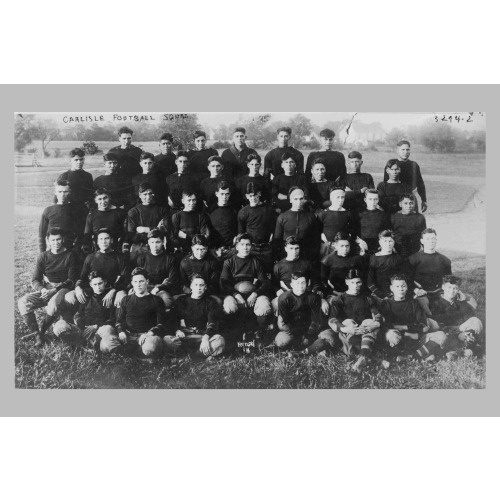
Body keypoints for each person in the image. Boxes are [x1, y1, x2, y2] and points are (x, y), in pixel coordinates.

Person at [18, 228, 79, 346]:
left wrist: (54, 290)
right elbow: (35, 279)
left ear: (63, 239)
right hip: (47, 288)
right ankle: (36, 334)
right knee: (23, 302)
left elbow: (71, 280)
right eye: (53, 240)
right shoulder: (43, 256)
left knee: (53, 304)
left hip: (63, 288)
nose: (56, 243)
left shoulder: (70, 255)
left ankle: (41, 332)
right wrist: (43, 289)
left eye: (58, 239)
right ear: (47, 240)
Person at [102, 267, 167, 359]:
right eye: (135, 282)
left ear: (147, 281)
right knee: (106, 343)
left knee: (151, 347)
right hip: (129, 336)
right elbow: (119, 321)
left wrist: (149, 334)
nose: (138, 285)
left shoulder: (156, 300)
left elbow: (161, 324)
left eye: (141, 281)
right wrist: (121, 332)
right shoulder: (126, 299)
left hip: (147, 336)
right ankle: (135, 354)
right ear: (132, 283)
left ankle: (130, 354)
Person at [325, 269, 382, 372]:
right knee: (347, 321)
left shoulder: (368, 298)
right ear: (347, 282)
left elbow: (377, 315)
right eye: (352, 282)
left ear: (362, 283)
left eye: (358, 282)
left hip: (366, 333)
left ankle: (362, 359)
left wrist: (374, 325)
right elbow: (332, 320)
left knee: (370, 322)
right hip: (350, 334)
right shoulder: (339, 299)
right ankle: (367, 357)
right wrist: (347, 329)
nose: (355, 285)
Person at [378, 273, 443, 358]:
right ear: (391, 288)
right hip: (398, 337)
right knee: (391, 335)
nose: (401, 289)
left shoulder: (413, 303)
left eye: (403, 286)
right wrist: (405, 332)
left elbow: (422, 324)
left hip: (415, 338)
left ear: (407, 287)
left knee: (441, 335)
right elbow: (385, 325)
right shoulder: (387, 303)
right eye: (397, 286)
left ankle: (410, 356)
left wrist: (402, 327)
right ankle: (417, 354)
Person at [220, 233, 273, 337]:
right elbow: (224, 283)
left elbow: (265, 282)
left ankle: (259, 333)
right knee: (229, 306)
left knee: (264, 305)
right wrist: (236, 295)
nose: (245, 247)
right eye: (242, 244)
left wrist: (255, 294)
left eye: (248, 244)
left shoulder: (256, 262)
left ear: (251, 246)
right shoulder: (229, 262)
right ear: (237, 246)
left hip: (253, 294)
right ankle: (233, 335)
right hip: (235, 295)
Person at [64, 227, 129, 311]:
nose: (104, 241)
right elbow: (82, 277)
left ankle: (116, 322)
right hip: (94, 289)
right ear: (97, 242)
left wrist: (113, 291)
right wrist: (78, 288)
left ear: (112, 240)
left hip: (113, 289)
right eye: (101, 239)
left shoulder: (119, 257)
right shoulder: (91, 257)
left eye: (107, 238)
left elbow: (126, 279)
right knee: (69, 296)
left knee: (122, 297)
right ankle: (77, 319)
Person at [51, 271, 118, 350]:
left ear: (105, 282)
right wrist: (80, 324)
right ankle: (80, 344)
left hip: (100, 329)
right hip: (85, 329)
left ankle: (92, 345)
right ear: (91, 285)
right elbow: (79, 314)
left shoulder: (110, 297)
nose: (98, 287)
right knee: (59, 325)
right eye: (95, 284)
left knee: (108, 332)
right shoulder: (87, 296)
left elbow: (113, 319)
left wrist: (96, 326)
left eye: (100, 283)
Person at [163, 275, 226, 358]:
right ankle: (200, 355)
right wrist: (177, 331)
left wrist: (206, 338)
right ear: (191, 286)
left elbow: (212, 322)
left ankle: (189, 356)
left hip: (202, 336)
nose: (198, 288)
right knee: (166, 340)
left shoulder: (210, 302)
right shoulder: (181, 300)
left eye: (201, 285)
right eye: (196, 285)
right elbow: (172, 319)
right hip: (184, 336)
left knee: (219, 341)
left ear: (205, 287)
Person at [275, 272, 335, 354]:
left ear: (307, 283)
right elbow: (284, 321)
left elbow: (316, 320)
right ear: (291, 284)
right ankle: (297, 344)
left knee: (327, 338)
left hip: (309, 328)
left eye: (303, 282)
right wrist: (296, 335)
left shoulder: (313, 297)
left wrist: (308, 336)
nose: (301, 286)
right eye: (297, 283)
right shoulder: (284, 298)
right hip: (291, 329)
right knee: (282, 341)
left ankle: (308, 347)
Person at [428, 275, 484, 358]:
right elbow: (437, 325)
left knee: (476, 320)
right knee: (438, 332)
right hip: (445, 333)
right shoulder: (435, 304)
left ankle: (465, 347)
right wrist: (458, 334)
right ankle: (460, 351)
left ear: (458, 290)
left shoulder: (461, 303)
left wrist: (465, 333)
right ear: (443, 287)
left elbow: (470, 319)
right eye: (449, 287)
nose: (452, 291)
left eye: (455, 288)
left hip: (461, 332)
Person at [272, 236, 325, 315]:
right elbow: (273, 282)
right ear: (285, 249)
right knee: (275, 304)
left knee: (323, 305)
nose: (294, 251)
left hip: (304, 294)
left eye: (296, 248)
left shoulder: (307, 263)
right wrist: (277, 290)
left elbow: (315, 279)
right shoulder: (279, 266)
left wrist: (316, 288)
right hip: (287, 295)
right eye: (291, 248)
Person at [135, 229, 181, 310]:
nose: (155, 245)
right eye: (152, 242)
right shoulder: (142, 258)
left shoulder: (170, 259)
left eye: (158, 242)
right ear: (148, 243)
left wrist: (158, 288)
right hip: (145, 287)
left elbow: (172, 280)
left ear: (163, 242)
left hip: (162, 288)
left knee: (167, 301)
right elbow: (138, 276)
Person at [273, 187, 320, 261]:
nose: (298, 202)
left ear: (304, 200)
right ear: (291, 200)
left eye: (301, 199)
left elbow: (315, 239)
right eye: (295, 199)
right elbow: (277, 240)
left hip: (306, 255)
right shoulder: (282, 217)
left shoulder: (311, 217)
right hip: (287, 255)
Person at [237, 183, 276, 272]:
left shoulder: (268, 209)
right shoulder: (243, 212)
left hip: (266, 248)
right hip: (252, 248)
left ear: (259, 194)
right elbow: (241, 233)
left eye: (255, 195)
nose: (253, 198)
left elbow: (274, 227)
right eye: (250, 196)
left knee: (267, 272)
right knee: (252, 272)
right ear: (246, 196)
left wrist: (271, 240)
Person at [126, 183, 170, 257]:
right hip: (140, 246)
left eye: (150, 193)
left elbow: (166, 229)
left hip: (157, 245)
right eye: (145, 194)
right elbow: (132, 234)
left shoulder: (162, 210)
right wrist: (157, 228)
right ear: (140, 195)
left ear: (154, 194)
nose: (148, 197)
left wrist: (145, 229)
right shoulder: (133, 212)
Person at [384, 140, 428, 212]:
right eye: (403, 149)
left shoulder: (414, 165)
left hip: (410, 199)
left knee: (412, 221)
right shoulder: (391, 164)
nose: (405, 152)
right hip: (394, 199)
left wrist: (424, 200)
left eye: (407, 150)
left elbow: (420, 184)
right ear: (397, 151)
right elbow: (385, 184)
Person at [39, 180, 81, 253]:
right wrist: (42, 252)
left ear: (70, 192)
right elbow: (41, 233)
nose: (62, 194)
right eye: (59, 192)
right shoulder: (48, 210)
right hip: (53, 250)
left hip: (70, 250)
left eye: (65, 192)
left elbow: (80, 233)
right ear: (55, 192)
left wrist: (76, 249)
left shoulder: (76, 210)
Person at [317, 186, 360, 258]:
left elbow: (352, 229)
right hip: (327, 245)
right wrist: (323, 238)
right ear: (331, 198)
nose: (340, 200)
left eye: (342, 197)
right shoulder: (324, 214)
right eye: (338, 197)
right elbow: (317, 229)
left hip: (342, 246)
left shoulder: (347, 213)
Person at [321, 232, 366, 299]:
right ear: (335, 245)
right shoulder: (327, 260)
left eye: (347, 246)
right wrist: (334, 292)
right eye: (341, 246)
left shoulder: (357, 259)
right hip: (335, 294)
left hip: (355, 294)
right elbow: (323, 281)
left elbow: (364, 278)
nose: (345, 249)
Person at [367, 230, 410, 301]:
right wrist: (383, 296)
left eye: (390, 241)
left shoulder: (399, 258)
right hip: (379, 295)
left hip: (397, 294)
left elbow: (405, 277)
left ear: (394, 242)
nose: (388, 244)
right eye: (385, 241)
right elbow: (370, 282)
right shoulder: (373, 258)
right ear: (380, 242)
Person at [168, 190, 210, 255]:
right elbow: (173, 237)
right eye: (189, 200)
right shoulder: (176, 216)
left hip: (197, 252)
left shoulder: (200, 216)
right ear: (183, 201)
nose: (192, 203)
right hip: (181, 251)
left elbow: (203, 237)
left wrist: (186, 236)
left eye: (194, 200)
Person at [56, 148, 94, 217]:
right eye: (76, 160)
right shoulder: (64, 176)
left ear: (84, 160)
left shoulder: (88, 176)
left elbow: (91, 194)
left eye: (81, 159)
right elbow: (57, 196)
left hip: (84, 211)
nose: (79, 162)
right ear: (70, 161)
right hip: (68, 210)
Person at [209, 181, 239, 261]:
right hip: (215, 251)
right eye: (222, 194)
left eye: (227, 194)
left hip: (231, 250)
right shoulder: (211, 210)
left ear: (230, 194)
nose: (224, 197)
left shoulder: (234, 210)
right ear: (216, 194)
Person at [354, 189, 390, 255]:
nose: (373, 202)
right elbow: (353, 230)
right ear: (365, 200)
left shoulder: (383, 214)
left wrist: (382, 243)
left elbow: (385, 230)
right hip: (362, 244)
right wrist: (359, 241)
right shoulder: (358, 213)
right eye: (370, 199)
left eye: (375, 199)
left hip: (378, 245)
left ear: (378, 200)